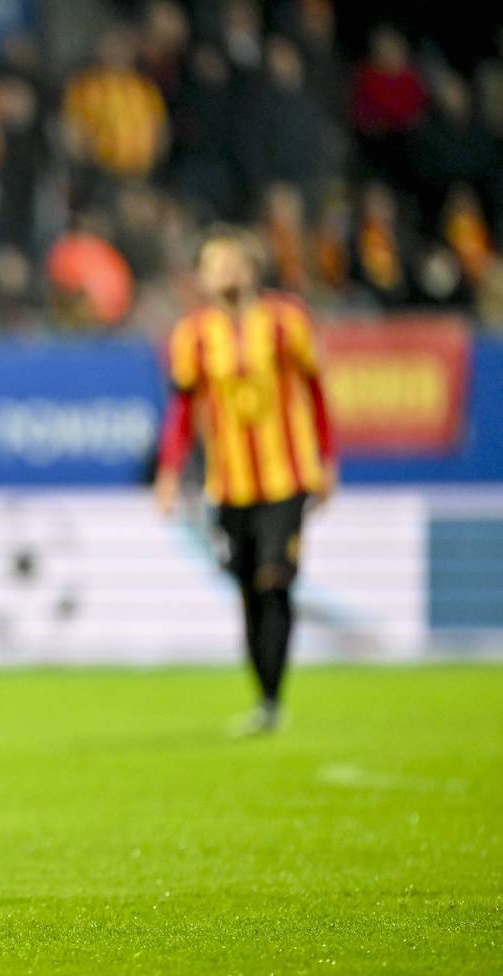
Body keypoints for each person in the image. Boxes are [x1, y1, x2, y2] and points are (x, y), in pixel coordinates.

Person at [153, 225, 336, 734]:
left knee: (274, 579)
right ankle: (265, 699)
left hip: (288, 475)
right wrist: (169, 474)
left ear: (252, 269)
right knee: (249, 589)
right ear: (202, 277)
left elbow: (315, 389)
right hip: (229, 484)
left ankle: (273, 701)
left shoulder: (286, 322)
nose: (225, 272)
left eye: (232, 262)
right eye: (214, 264)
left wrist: (327, 459)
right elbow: (183, 411)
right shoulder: (191, 336)